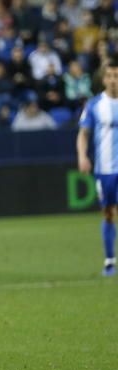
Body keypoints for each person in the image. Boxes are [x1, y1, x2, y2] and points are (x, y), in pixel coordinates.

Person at [77, 56, 118, 277]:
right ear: (104, 79)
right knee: (108, 214)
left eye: (117, 76)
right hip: (104, 170)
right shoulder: (94, 105)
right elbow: (83, 134)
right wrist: (82, 156)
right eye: (110, 76)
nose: (113, 80)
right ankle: (110, 261)